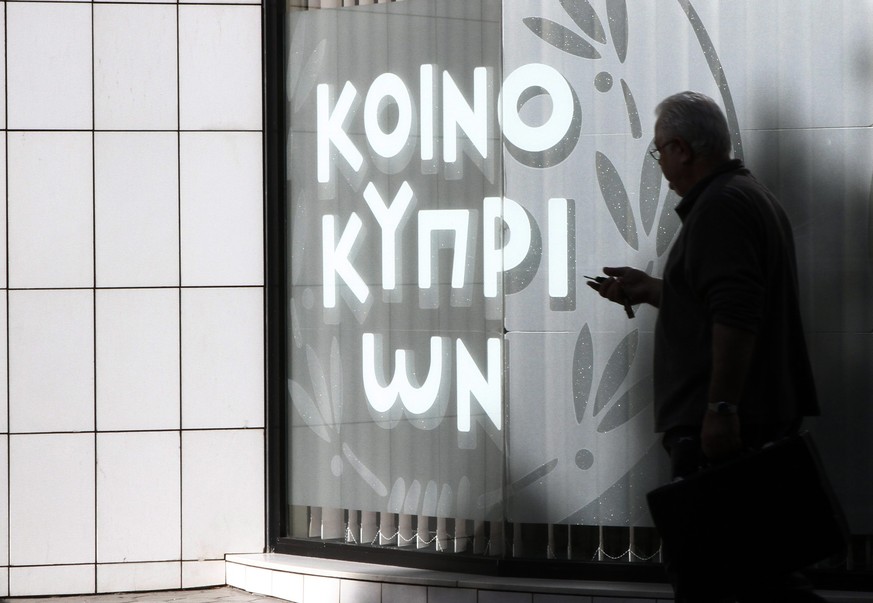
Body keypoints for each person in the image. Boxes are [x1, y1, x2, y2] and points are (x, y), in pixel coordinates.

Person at [588, 91, 822, 602]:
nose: (660, 166)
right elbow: (716, 300)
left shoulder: (721, 208)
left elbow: (736, 315)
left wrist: (720, 409)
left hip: (723, 429)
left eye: (658, 152)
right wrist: (650, 289)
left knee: (710, 576)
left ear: (681, 149)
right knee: (759, 572)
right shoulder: (746, 195)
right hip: (748, 419)